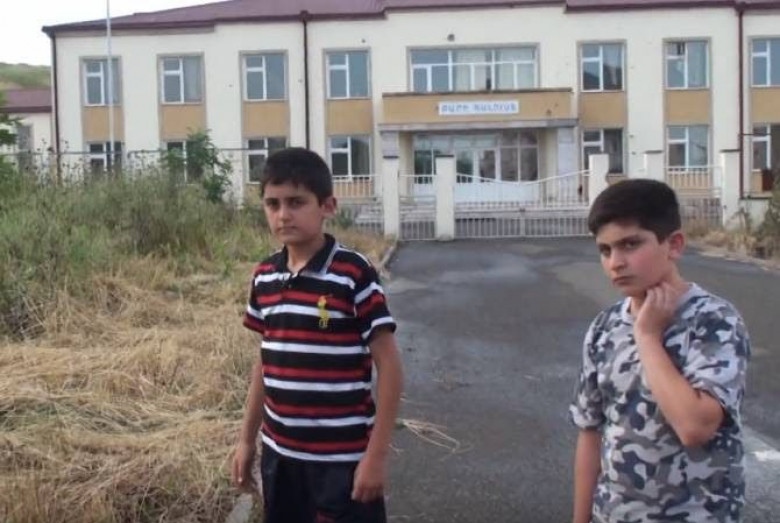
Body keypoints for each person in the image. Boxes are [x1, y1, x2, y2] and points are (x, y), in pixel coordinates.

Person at [232, 147, 403, 523]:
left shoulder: (352, 274)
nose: (283, 214)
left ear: (328, 206)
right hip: (281, 459)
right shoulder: (265, 276)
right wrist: (246, 441)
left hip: (342, 463)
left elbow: (390, 367)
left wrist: (375, 456)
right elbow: (265, 363)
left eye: (296, 202)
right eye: (272, 204)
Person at [570, 179, 751, 523]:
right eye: (605, 250)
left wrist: (648, 337)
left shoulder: (714, 321)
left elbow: (694, 427)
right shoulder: (604, 328)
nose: (615, 263)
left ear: (674, 245)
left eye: (630, 244)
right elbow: (590, 432)